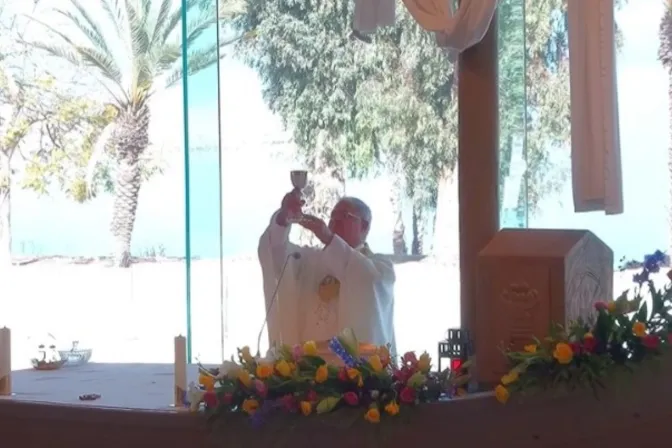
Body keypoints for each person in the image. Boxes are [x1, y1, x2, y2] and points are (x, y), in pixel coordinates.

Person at [258, 189, 396, 354]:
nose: (334, 220)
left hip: (352, 370)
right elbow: (276, 254)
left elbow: (368, 281)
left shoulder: (380, 267)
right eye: (332, 215)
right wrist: (282, 219)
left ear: (364, 226)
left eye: (344, 216)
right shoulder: (311, 260)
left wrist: (329, 238)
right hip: (308, 367)